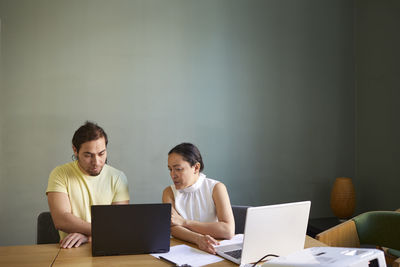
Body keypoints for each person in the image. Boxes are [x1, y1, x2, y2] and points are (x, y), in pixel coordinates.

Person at [46, 121, 129, 249]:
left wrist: (88, 236)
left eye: (101, 154)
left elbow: (118, 226)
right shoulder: (60, 174)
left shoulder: (118, 177)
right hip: (70, 250)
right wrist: (97, 232)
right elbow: (61, 219)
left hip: (108, 248)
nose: (96, 162)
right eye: (88, 155)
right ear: (75, 150)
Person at [162, 143, 235, 254]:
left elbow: (227, 230)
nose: (173, 175)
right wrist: (198, 239)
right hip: (183, 250)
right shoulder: (169, 192)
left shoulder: (216, 188)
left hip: (214, 248)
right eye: (170, 169)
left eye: (178, 169)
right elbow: (173, 227)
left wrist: (184, 222)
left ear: (196, 167)